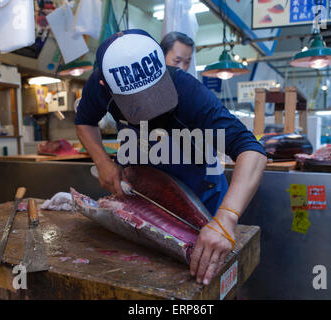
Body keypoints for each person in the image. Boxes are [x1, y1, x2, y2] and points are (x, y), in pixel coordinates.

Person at [75, 29, 267, 285]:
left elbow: (251, 150)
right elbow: (84, 121)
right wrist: (102, 161)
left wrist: (226, 219)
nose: (150, 108)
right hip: (143, 200)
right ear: (105, 86)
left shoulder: (189, 91)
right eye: (138, 102)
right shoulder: (99, 85)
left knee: (207, 285)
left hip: (204, 204)